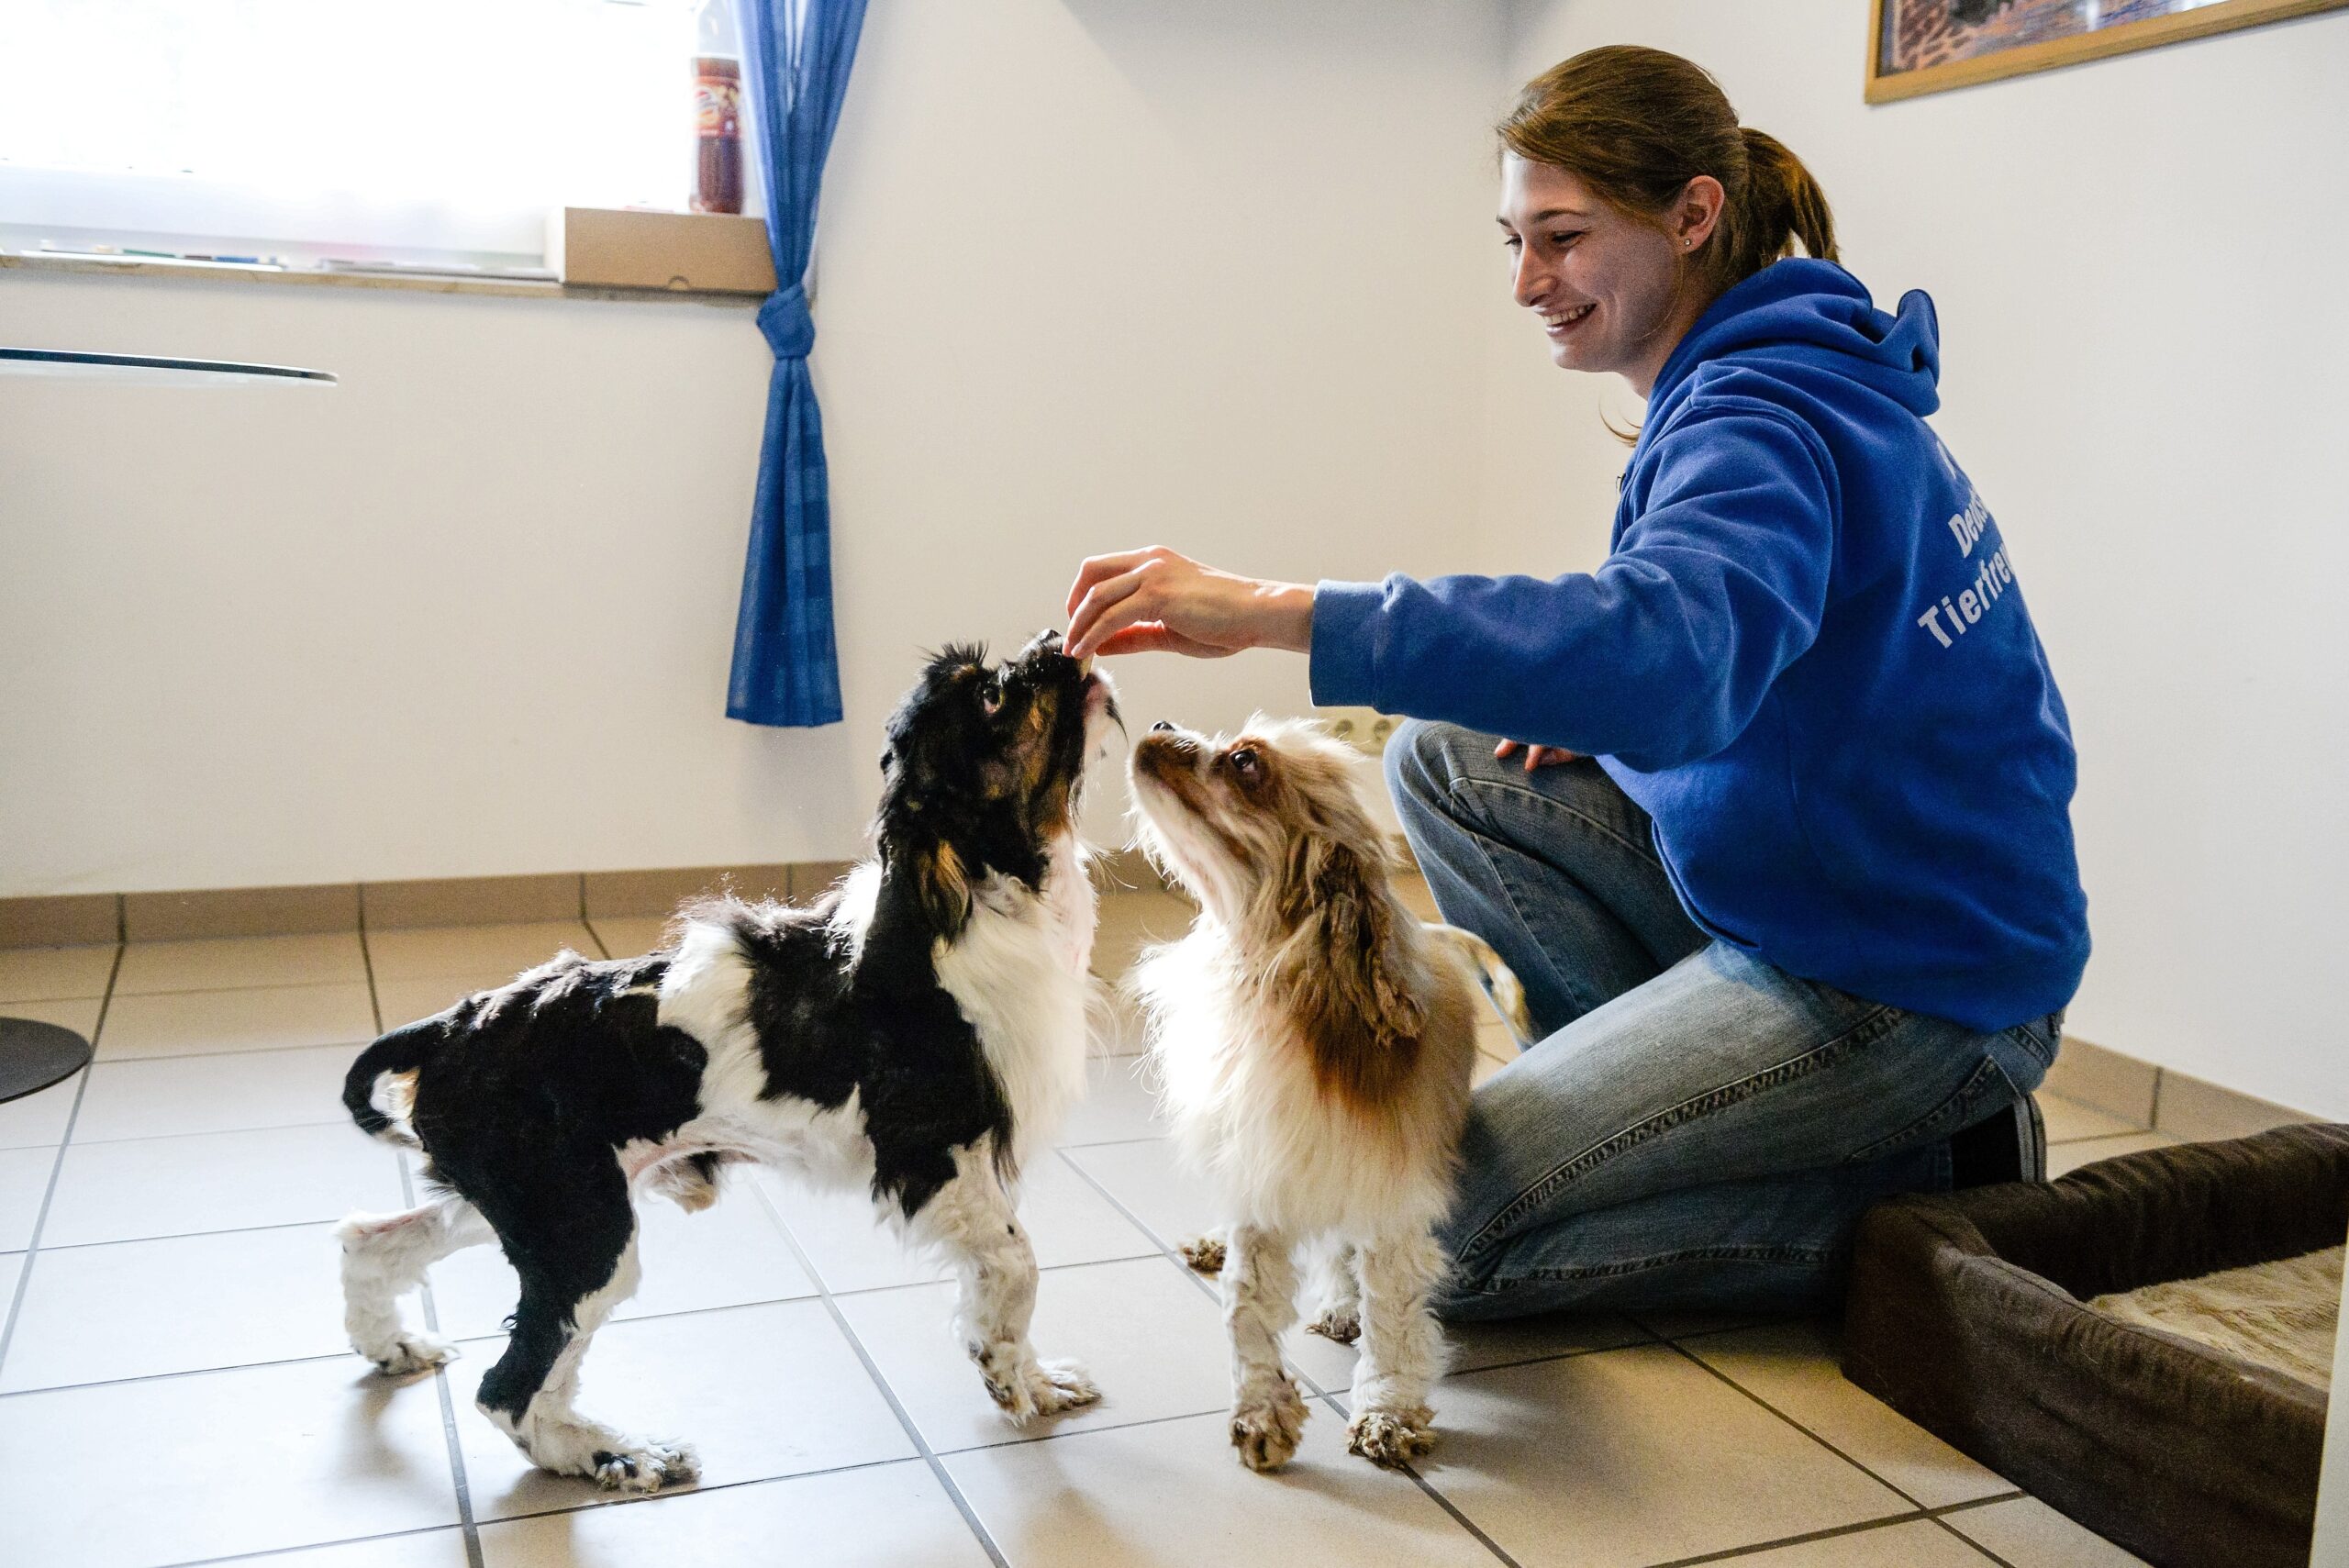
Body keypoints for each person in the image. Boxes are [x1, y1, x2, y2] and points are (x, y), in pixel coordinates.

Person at [1063, 45, 2087, 1317]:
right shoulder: (1764, 374)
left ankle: (1926, 1189)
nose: (1527, 282)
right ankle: (1664, 1127)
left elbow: (1666, 650)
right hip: (1821, 895)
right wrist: (1604, 728)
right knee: (1444, 759)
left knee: (1439, 1229)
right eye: (1513, 239)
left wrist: (1279, 613)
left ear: (1694, 215)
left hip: (1908, 985)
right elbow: (1754, 658)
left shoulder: (1760, 416)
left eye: (1561, 236)